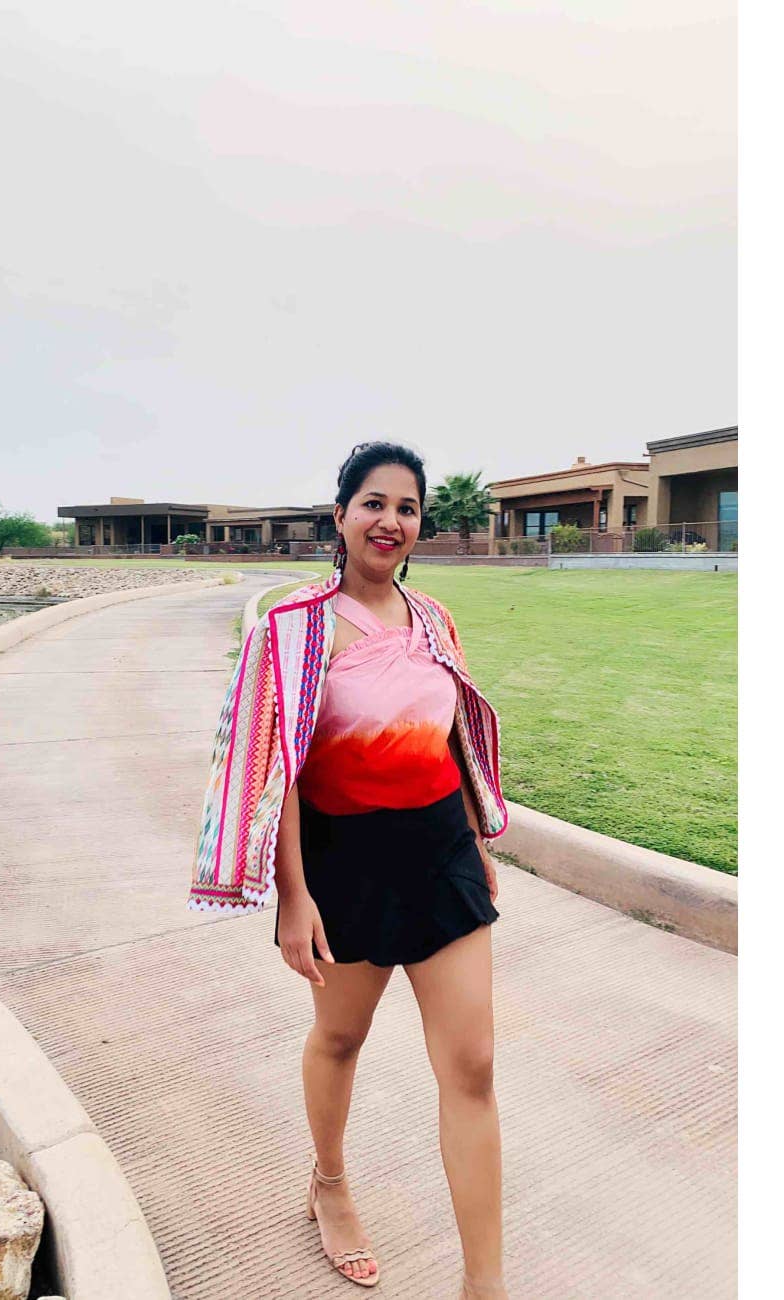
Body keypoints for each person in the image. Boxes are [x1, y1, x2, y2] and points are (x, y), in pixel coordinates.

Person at [188, 441, 510, 1297]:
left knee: (473, 1066)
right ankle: (328, 1183)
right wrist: (293, 896)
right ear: (340, 516)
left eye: (407, 508)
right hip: (345, 864)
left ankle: (485, 1285)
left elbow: (451, 738)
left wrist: (475, 844)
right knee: (341, 1037)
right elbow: (278, 768)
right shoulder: (292, 629)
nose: (390, 521)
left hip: (440, 855)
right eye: (374, 503)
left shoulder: (433, 620)